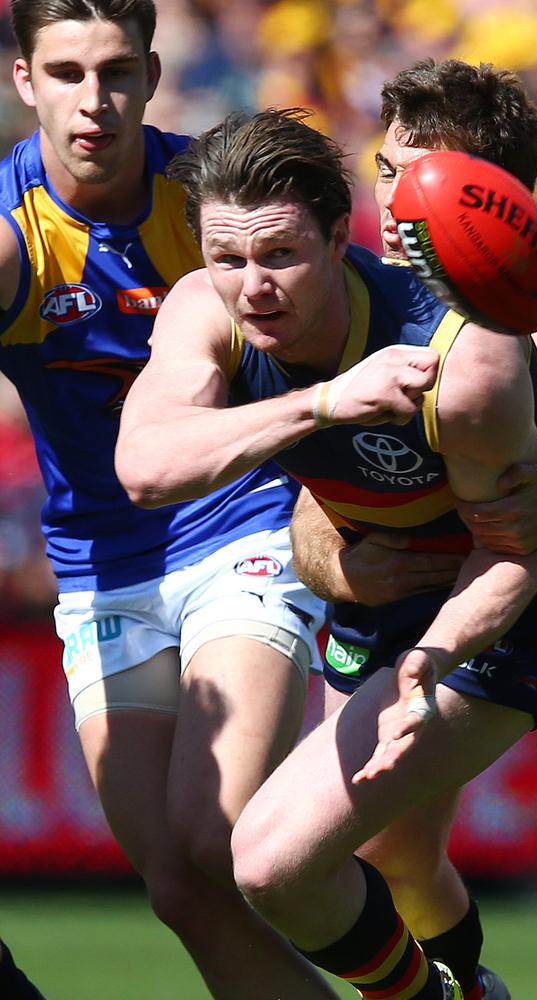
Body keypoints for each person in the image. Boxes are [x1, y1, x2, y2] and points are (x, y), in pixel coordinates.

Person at [115, 107, 537, 1000]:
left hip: (513, 610)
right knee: (384, 860)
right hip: (379, 595)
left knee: (272, 862)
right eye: (227, 259)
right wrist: (325, 405)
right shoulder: (206, 309)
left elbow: (520, 548)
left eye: (281, 256)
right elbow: (146, 467)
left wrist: (428, 662)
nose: (253, 288)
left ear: (344, 235)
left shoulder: (462, 358)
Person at [286, 59, 537, 999]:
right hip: (512, 610)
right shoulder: (377, 319)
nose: (391, 192)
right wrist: (345, 568)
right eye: (386, 165)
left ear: (491, 196)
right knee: (384, 852)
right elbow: (315, 509)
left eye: (418, 171)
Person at [0, 4, 336, 998]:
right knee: (183, 891)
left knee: (217, 836)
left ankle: (410, 972)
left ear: (151, 75)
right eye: (65, 73)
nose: (91, 101)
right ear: (25, 81)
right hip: (101, 571)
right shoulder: (14, 235)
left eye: (113, 73)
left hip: (238, 527)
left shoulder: (212, 200)